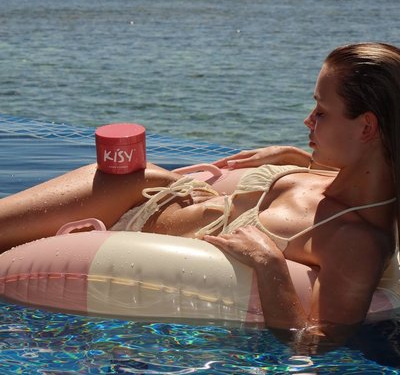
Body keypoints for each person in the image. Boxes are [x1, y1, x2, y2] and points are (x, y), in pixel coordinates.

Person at [0, 42, 399, 345]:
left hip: (121, 213)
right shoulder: (339, 176)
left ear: (366, 128)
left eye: (321, 112)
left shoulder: (356, 241)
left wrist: (269, 265)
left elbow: (315, 344)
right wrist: (295, 156)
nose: (308, 120)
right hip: (147, 192)